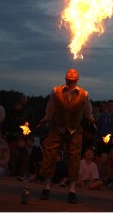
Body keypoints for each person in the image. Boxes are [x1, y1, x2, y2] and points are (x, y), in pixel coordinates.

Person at [38, 68, 95, 204]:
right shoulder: (56, 91)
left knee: (74, 158)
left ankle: (72, 190)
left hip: (75, 130)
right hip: (57, 128)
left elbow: (88, 110)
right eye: (69, 72)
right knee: (50, 154)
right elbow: (50, 107)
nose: (71, 73)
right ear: (65, 77)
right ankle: (46, 187)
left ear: (78, 78)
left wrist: (90, 118)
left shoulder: (84, 93)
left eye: (74, 73)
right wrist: (46, 117)